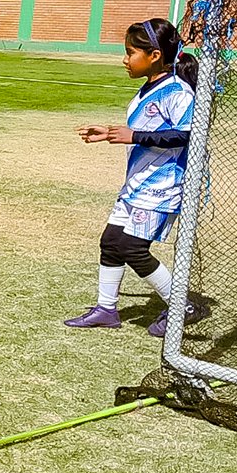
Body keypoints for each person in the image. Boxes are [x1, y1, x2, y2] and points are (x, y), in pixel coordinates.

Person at [65, 18, 210, 337]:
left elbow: (187, 135)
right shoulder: (149, 88)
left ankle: (183, 306)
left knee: (132, 247)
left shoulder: (178, 91)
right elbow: (147, 130)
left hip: (161, 185)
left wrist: (134, 136)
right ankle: (106, 310)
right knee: (111, 242)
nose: (125, 59)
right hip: (137, 184)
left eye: (131, 52)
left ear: (155, 55)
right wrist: (110, 132)